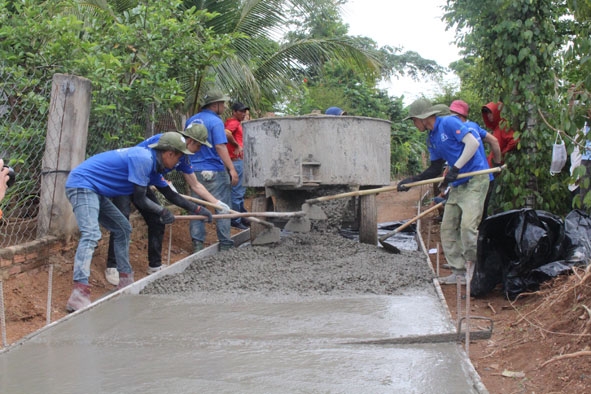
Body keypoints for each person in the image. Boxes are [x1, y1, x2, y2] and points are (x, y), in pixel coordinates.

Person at [64, 132, 212, 312]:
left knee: (123, 228)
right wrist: (161, 211)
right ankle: (79, 294)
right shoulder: (143, 159)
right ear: (169, 153)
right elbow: (140, 199)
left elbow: (170, 195)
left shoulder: (153, 169)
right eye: (179, 156)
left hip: (96, 190)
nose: (179, 162)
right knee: (91, 234)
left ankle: (125, 282)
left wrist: (197, 209)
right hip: (83, 185)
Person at [103, 123, 227, 286]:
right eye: (200, 145)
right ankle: (113, 266)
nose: (200, 150)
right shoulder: (167, 142)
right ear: (190, 141)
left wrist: (203, 207)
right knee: (122, 221)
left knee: (157, 218)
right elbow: (141, 162)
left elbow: (187, 187)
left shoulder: (182, 157)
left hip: (145, 181)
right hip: (126, 178)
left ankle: (154, 265)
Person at [398, 99, 491, 285]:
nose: (414, 124)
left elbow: (472, 144)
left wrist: (455, 168)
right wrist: (412, 181)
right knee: (447, 228)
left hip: (474, 180)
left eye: (414, 120)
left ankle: (475, 268)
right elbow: (435, 168)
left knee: (467, 227)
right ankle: (458, 272)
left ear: (423, 118)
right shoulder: (431, 138)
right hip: (458, 184)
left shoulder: (448, 123)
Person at [185, 90, 239, 253]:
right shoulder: (215, 122)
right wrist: (231, 169)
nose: (224, 107)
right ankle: (225, 244)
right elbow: (220, 146)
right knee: (221, 205)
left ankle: (197, 245)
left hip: (193, 171)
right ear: (215, 105)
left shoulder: (190, 121)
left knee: (197, 206)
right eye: (222, 104)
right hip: (214, 170)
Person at [450, 99, 502, 219]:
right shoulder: (474, 126)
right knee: (480, 214)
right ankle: (482, 236)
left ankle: (476, 237)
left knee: (468, 218)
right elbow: (494, 141)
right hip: (485, 177)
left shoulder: (454, 129)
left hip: (468, 181)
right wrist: (497, 164)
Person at [225, 101, 250, 230]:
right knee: (237, 191)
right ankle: (235, 219)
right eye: (241, 111)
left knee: (238, 190)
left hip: (236, 160)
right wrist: (236, 145)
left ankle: (241, 216)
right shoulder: (234, 122)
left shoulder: (236, 123)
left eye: (245, 111)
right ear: (234, 112)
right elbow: (227, 133)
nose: (243, 113)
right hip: (235, 160)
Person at [481, 101, 518, 167]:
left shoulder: (503, 126)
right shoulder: (497, 128)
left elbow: (514, 140)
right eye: (487, 113)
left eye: (490, 112)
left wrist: (502, 153)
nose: (488, 115)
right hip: (492, 165)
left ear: (496, 112)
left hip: (498, 166)